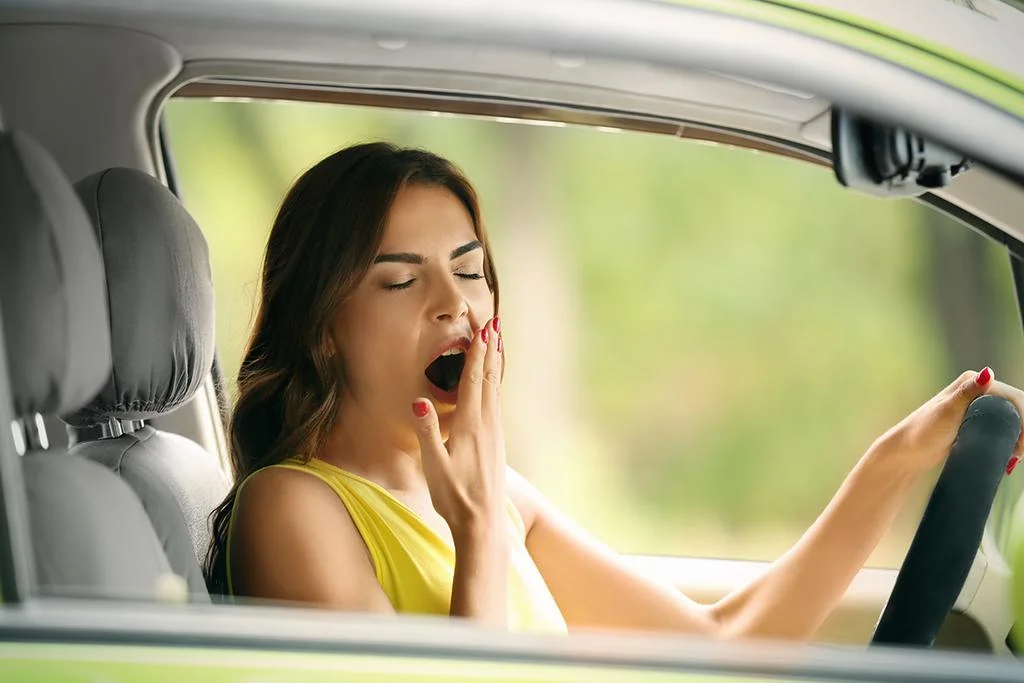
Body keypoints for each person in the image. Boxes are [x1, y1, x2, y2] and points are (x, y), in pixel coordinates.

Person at [205, 142, 1024, 639]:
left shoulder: (497, 496)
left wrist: (896, 458)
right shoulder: (291, 508)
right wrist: (481, 528)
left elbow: (725, 640)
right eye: (399, 281)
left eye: (468, 271)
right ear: (323, 325)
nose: (455, 304)